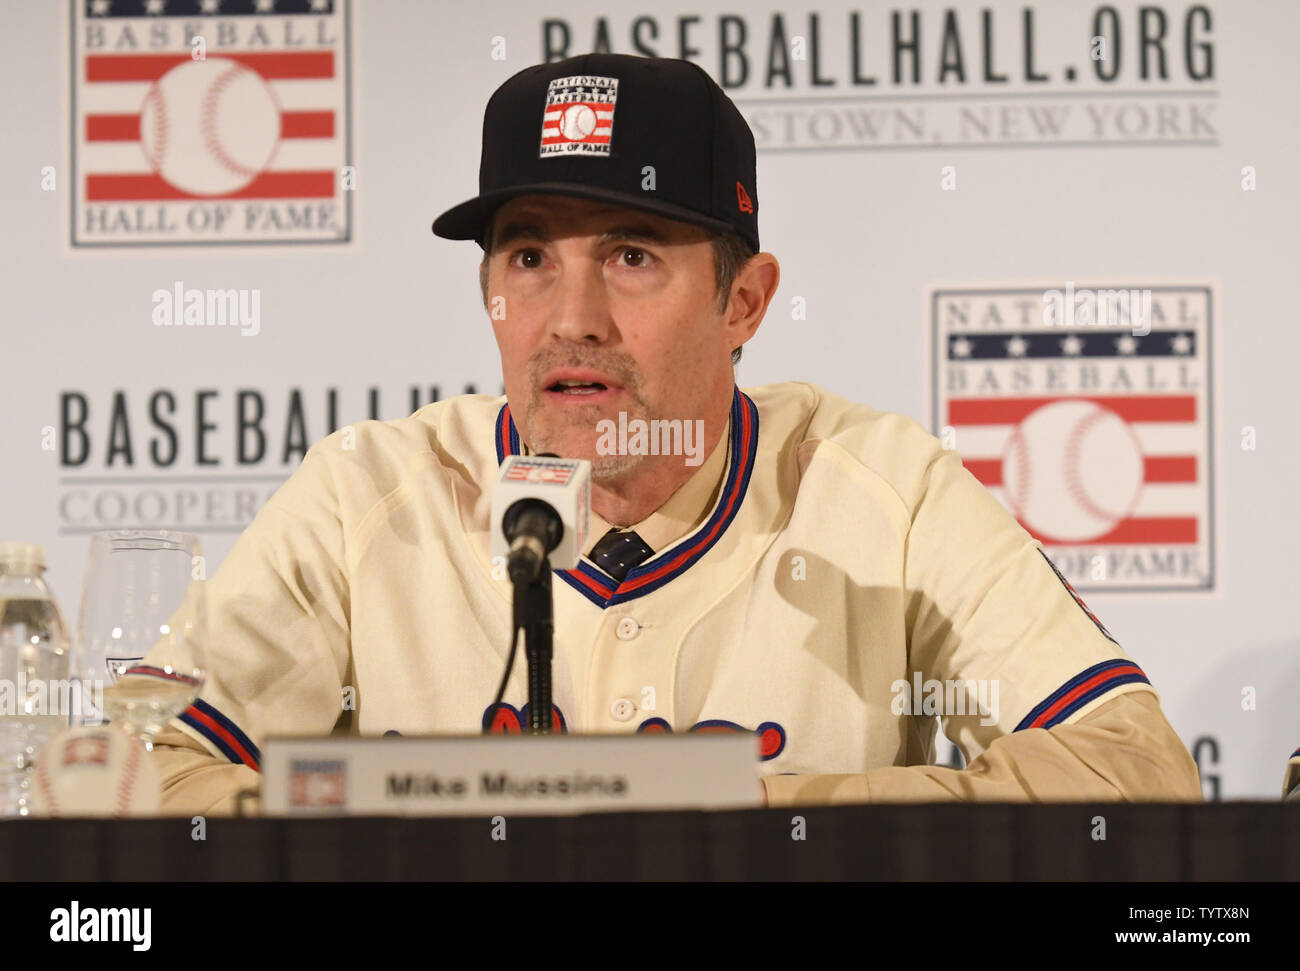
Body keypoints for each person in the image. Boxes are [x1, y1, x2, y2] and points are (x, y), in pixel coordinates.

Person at [147, 52, 1200, 814]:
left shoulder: (882, 488)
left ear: (743, 300)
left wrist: (750, 818)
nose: (571, 318)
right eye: (527, 257)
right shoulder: (366, 492)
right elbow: (128, 770)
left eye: (631, 254)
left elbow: (1134, 771)